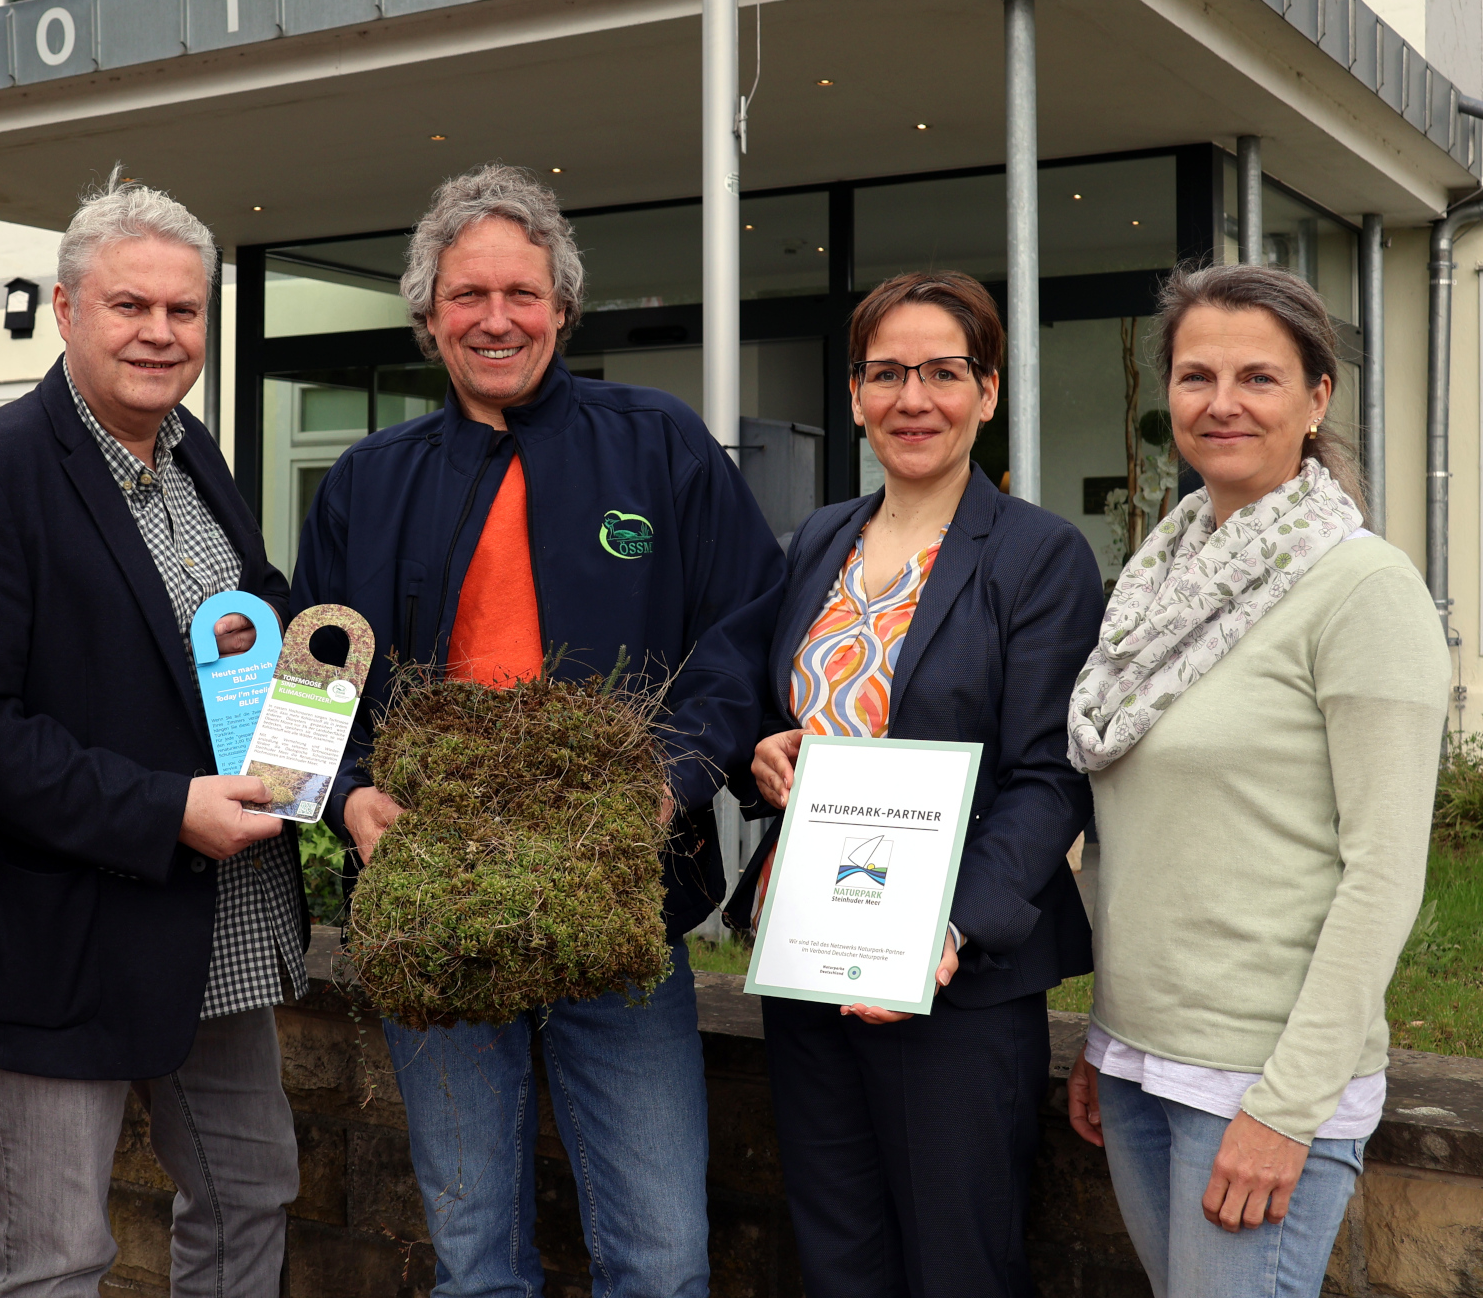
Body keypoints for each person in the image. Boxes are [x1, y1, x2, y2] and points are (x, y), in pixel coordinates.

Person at [291, 162, 784, 1298]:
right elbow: (316, 673)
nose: (496, 318)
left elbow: (741, 628)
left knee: (659, 1258)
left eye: (521, 294)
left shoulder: (656, 445)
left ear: (560, 308)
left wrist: (671, 774)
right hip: (434, 898)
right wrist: (352, 791)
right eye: (468, 296)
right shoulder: (367, 483)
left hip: (616, 893)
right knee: (473, 1260)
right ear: (428, 317)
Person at [0, 168, 303, 1298]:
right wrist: (164, 808)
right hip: (61, 929)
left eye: (182, 311)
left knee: (250, 1192)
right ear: (70, 309)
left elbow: (251, 633)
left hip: (215, 920)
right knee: (56, 1253)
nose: (159, 332)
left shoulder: (198, 458)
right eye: (130, 306)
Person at [1064, 264, 1447, 1298]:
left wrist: (1286, 1107)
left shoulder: (1361, 588)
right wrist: (1107, 1035)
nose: (1220, 403)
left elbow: (1382, 875)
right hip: (1141, 1057)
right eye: (1194, 376)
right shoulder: (1162, 578)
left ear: (1316, 397)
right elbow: (1143, 844)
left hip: (1260, 1080)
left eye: (1257, 378)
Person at [743, 271, 1103, 1298]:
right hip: (810, 949)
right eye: (887, 373)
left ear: (986, 392)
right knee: (835, 1251)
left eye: (943, 372)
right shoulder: (816, 541)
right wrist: (766, 755)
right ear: (853, 393)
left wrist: (944, 931)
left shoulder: (1037, 556)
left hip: (956, 975)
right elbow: (796, 717)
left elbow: (1047, 779)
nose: (914, 399)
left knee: (957, 1263)